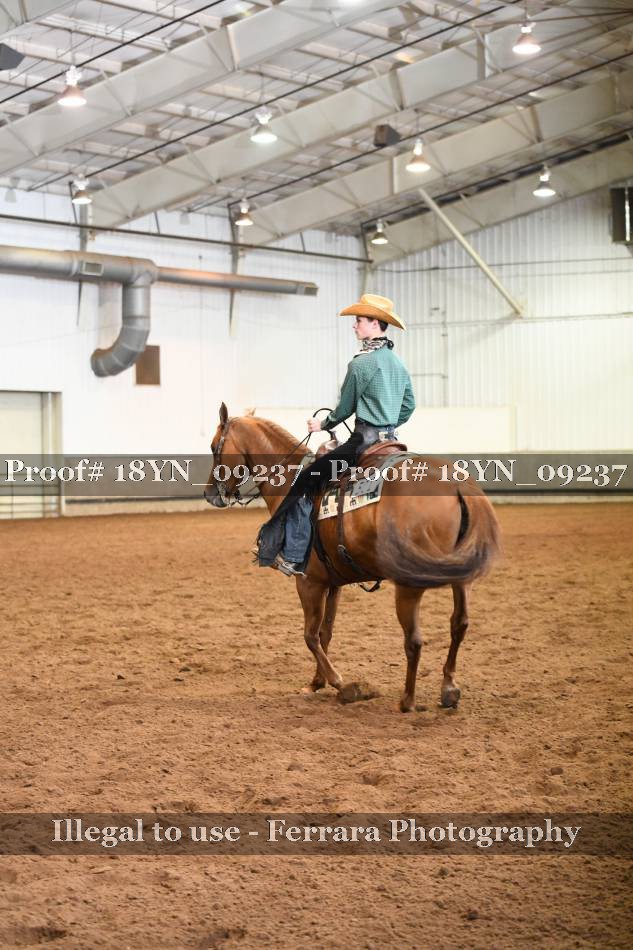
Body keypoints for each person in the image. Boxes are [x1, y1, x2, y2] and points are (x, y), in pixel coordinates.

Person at [257, 293, 415, 576]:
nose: (355, 326)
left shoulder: (361, 364)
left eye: (359, 321)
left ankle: (293, 555)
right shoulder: (398, 364)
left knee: (305, 480)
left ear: (375, 324)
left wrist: (323, 424)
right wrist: (388, 423)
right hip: (392, 441)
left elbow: (345, 407)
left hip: (363, 442)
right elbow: (409, 406)